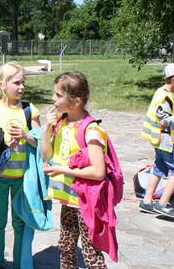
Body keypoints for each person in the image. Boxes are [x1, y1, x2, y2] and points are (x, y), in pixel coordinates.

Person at [41, 71, 109, 269]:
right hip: (69, 200)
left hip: (87, 202)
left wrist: (63, 170)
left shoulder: (91, 130)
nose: (53, 98)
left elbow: (98, 172)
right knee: (66, 247)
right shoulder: (61, 123)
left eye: (58, 95)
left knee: (91, 253)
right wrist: (47, 128)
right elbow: (46, 155)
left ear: (76, 101)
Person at [0, 62, 41, 269]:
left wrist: (26, 136)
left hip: (22, 178)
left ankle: (18, 264)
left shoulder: (29, 110)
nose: (22, 87)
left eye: (23, 82)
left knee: (19, 224)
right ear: (2, 84)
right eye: (16, 83)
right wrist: (5, 145)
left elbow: (40, 143)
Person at [139, 63, 174, 220]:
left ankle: (146, 201)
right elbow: (163, 121)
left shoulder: (163, 92)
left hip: (160, 140)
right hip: (167, 141)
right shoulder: (164, 97)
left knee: (159, 169)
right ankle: (163, 203)